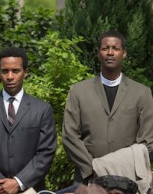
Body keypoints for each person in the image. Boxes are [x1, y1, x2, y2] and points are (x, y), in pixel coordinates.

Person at [62, 30, 153, 183]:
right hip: (88, 179)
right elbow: (70, 136)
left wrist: (124, 167)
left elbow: (147, 141)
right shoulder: (78, 91)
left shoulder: (141, 93)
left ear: (124, 53)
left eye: (115, 48)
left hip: (128, 180)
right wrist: (93, 168)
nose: (110, 52)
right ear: (98, 53)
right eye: (105, 48)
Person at [0, 47, 57, 194]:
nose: (10, 76)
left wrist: (19, 182)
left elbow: (46, 152)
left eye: (15, 71)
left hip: (31, 191)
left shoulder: (42, 109)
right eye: (5, 71)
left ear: (25, 72)